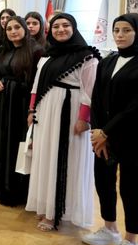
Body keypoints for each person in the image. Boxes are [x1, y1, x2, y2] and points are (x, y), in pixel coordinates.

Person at [26, 13, 100, 231]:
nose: (60, 30)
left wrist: (83, 119)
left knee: (66, 159)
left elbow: (90, 91)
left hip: (70, 112)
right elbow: (36, 85)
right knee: (46, 157)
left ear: (74, 28)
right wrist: (32, 109)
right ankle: (46, 205)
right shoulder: (47, 55)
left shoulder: (87, 56)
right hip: (46, 112)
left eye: (66, 25)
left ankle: (59, 212)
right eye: (56, 26)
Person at [82, 13, 138, 245]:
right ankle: (109, 229)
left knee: (131, 188)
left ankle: (131, 241)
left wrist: (107, 131)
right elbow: (96, 98)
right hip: (102, 136)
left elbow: (135, 106)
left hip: (131, 136)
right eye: (117, 30)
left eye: (127, 30)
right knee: (103, 180)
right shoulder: (108, 60)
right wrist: (97, 132)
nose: (120, 35)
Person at [0, 16, 41, 204]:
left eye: (17, 27)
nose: (13, 31)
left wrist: (31, 109)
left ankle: (18, 191)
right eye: (9, 28)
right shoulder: (5, 50)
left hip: (21, 105)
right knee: (2, 143)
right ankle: (2, 187)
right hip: (4, 104)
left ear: (24, 29)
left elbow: (38, 83)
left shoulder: (36, 51)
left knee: (17, 145)